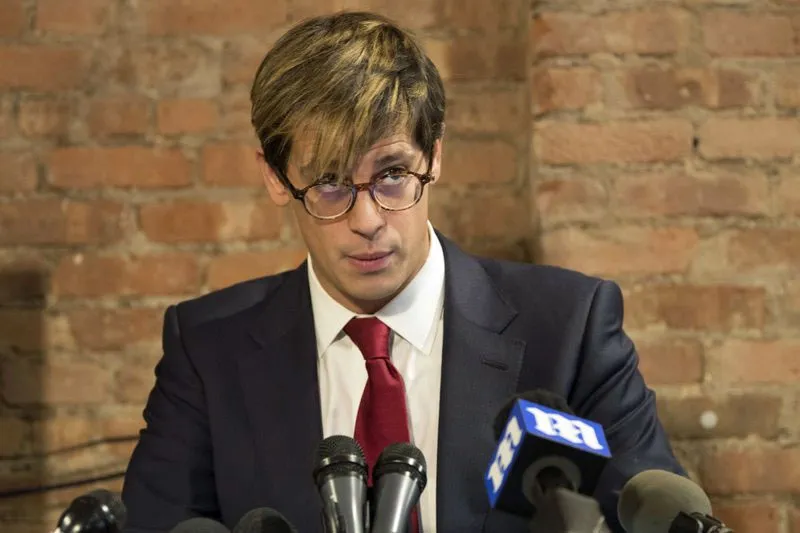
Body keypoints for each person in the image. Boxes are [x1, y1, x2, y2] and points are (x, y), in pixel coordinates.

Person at [121, 10, 685, 533]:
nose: (367, 220)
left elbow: (655, 512)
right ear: (275, 177)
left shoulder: (569, 329)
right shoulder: (207, 350)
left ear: (434, 155)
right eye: (329, 183)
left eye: (392, 174)